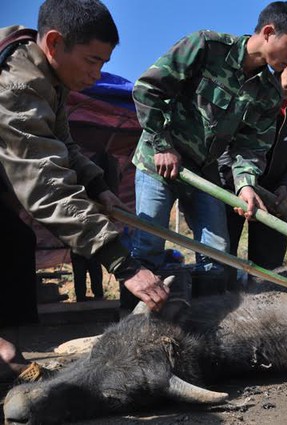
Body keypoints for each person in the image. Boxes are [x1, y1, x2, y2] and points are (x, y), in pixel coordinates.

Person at [0, 0, 168, 382]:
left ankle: (5, 350)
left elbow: (62, 143)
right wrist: (124, 265)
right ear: (55, 42)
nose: (97, 73)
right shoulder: (17, 84)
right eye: (92, 61)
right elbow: (45, 183)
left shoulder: (48, 79)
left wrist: (97, 186)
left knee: (14, 238)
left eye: (104, 64)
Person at [129, 2, 287, 289]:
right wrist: (163, 145)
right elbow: (147, 89)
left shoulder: (269, 91)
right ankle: (129, 327)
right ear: (268, 32)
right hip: (159, 163)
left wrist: (245, 185)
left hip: (203, 171)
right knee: (147, 247)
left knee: (217, 258)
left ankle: (202, 326)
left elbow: (251, 145)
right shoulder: (206, 46)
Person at [223, 38, 287, 270]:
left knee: (269, 269)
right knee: (220, 259)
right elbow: (225, 136)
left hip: (273, 195)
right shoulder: (254, 88)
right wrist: (238, 183)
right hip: (230, 186)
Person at [71, 150, 120, 301]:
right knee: (86, 267)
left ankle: (92, 297)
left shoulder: (85, 179)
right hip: (81, 232)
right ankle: (89, 297)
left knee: (88, 266)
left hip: (83, 233)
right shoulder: (82, 179)